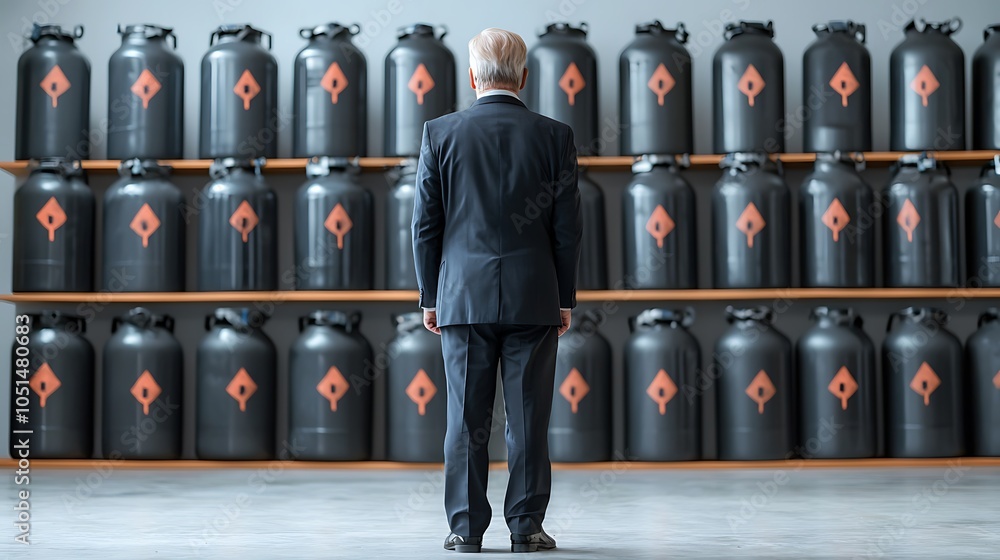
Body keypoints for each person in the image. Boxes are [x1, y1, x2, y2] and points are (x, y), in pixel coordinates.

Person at [411, 27, 582, 554]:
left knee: (465, 419)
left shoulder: (440, 133)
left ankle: (465, 529)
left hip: (461, 296)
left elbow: (425, 225)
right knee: (529, 418)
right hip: (535, 295)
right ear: (524, 77)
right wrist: (565, 297)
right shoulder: (555, 136)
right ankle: (526, 527)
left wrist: (429, 295)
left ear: (471, 76)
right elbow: (566, 227)